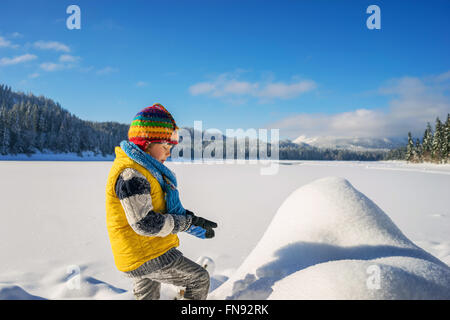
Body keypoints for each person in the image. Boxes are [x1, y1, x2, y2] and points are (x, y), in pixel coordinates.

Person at [105, 103, 218, 300]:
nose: (168, 153)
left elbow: (159, 208)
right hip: (147, 254)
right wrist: (185, 223)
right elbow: (144, 223)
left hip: (140, 251)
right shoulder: (132, 174)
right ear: (145, 144)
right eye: (165, 146)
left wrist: (193, 221)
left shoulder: (146, 170)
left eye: (170, 147)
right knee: (198, 279)